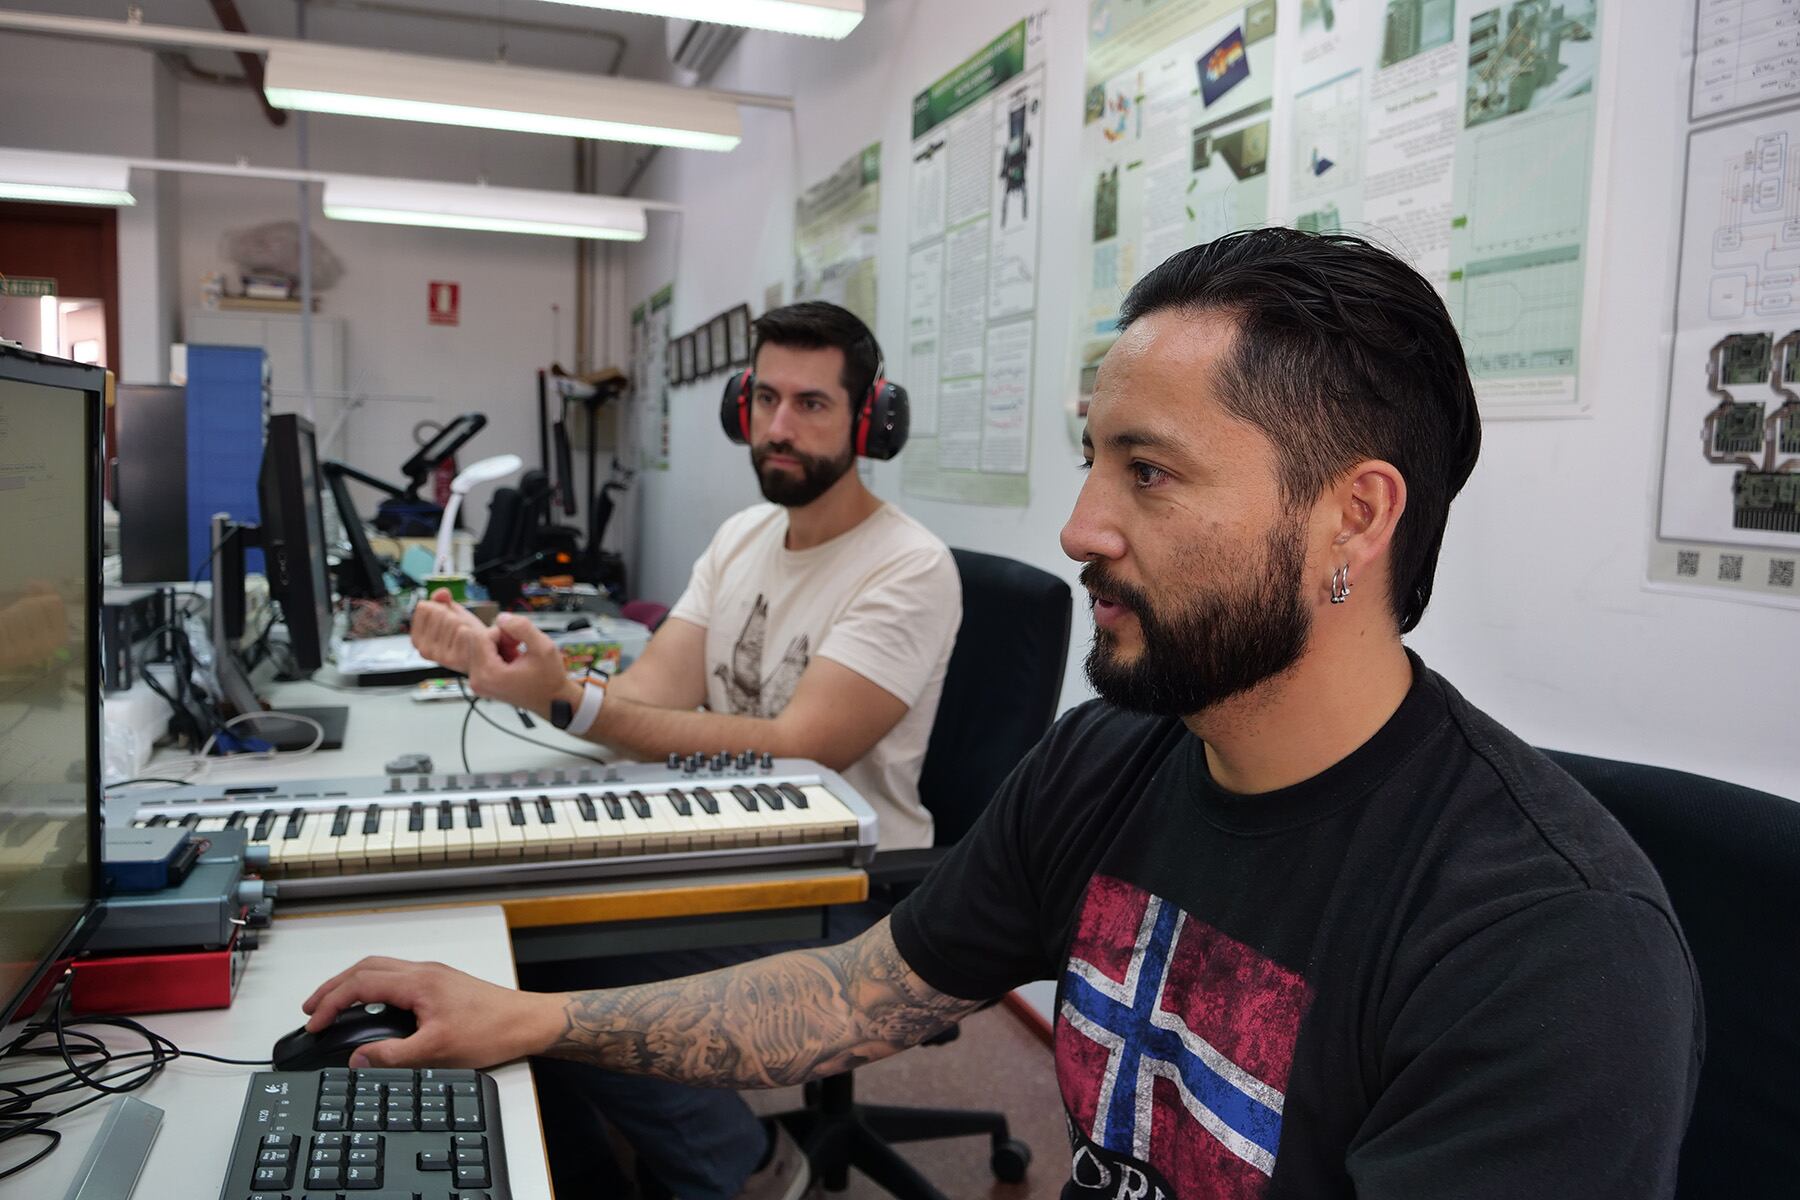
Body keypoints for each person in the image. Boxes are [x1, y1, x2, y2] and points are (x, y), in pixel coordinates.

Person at [303, 231, 1702, 1199]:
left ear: (1356, 514)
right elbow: (855, 995)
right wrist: (533, 1023)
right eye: (1094, 460)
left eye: (1148, 473)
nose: (1081, 525)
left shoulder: (1547, 945)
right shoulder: (1112, 759)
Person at [408, 301, 961, 1198]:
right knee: (518, 944)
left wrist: (570, 698)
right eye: (767, 398)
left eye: (812, 405)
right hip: (730, 851)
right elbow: (645, 698)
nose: (779, 428)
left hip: (851, 887)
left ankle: (745, 1167)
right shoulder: (741, 537)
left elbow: (800, 749)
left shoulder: (908, 566)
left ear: (870, 421)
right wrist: (525, 672)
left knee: (563, 974)